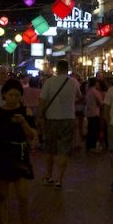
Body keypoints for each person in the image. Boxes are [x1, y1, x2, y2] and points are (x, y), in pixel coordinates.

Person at [0, 78, 37, 224]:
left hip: (19, 153)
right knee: (2, 196)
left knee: (23, 196)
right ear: (4, 95)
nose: (14, 98)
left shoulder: (26, 111)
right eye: (11, 95)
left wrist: (23, 122)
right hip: (1, 153)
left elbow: (32, 135)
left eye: (17, 95)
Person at [37, 59, 80, 189]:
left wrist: (39, 116)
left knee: (50, 149)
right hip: (68, 118)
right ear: (67, 68)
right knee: (64, 150)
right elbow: (79, 96)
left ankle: (49, 176)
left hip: (52, 119)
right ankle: (59, 179)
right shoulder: (74, 82)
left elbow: (42, 101)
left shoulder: (49, 82)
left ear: (57, 68)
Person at [84, 77, 104, 152]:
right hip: (95, 112)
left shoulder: (88, 91)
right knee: (94, 130)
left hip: (89, 113)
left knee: (90, 130)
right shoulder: (95, 92)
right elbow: (100, 102)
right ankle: (93, 146)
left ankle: (89, 145)